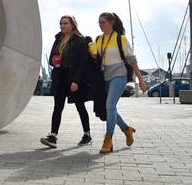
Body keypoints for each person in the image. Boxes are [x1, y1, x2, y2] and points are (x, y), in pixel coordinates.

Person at [90, 12, 148, 153]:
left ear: (111, 23)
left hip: (119, 74)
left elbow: (132, 61)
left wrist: (141, 80)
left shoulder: (121, 39)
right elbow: (96, 56)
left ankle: (108, 140)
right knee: (111, 109)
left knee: (110, 105)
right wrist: (91, 47)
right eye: (99, 22)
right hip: (104, 76)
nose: (100, 25)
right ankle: (127, 130)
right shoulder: (99, 39)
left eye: (103, 22)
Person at [40, 15, 92, 148]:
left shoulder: (80, 40)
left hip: (73, 77)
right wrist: (53, 60)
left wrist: (76, 81)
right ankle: (53, 136)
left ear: (72, 25)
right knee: (57, 107)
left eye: (65, 23)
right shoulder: (58, 39)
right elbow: (52, 55)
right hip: (60, 76)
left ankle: (87, 134)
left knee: (80, 106)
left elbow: (82, 63)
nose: (62, 26)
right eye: (61, 23)